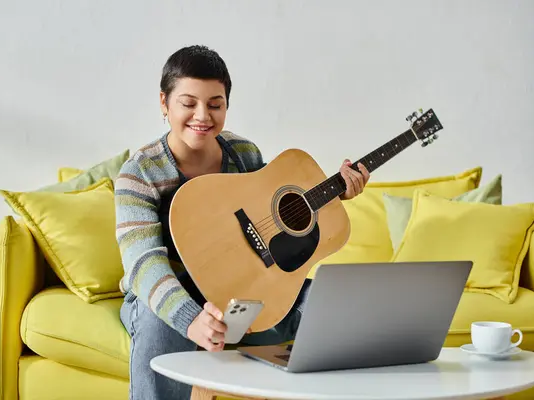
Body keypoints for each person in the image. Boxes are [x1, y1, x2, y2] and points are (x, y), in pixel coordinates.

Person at [115, 45, 370, 400]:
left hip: (238, 298)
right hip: (164, 299)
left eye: (215, 104)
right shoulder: (138, 173)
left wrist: (335, 195)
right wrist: (190, 318)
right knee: (160, 321)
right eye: (188, 103)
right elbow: (143, 264)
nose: (202, 116)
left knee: (336, 301)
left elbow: (270, 223)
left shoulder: (244, 154)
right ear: (164, 103)